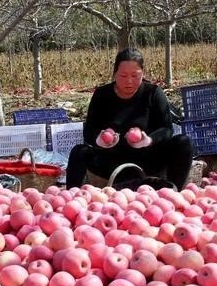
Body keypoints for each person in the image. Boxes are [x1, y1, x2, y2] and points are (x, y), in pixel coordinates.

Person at [66, 48, 194, 190]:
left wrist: (149, 140)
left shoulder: (153, 93)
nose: (129, 81)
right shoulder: (102, 95)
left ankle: (173, 193)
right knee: (79, 151)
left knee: (183, 142)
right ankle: (71, 196)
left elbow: (167, 129)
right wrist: (99, 140)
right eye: (123, 76)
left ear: (143, 73)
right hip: (110, 162)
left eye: (135, 76)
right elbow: (89, 130)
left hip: (148, 160)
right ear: (115, 74)